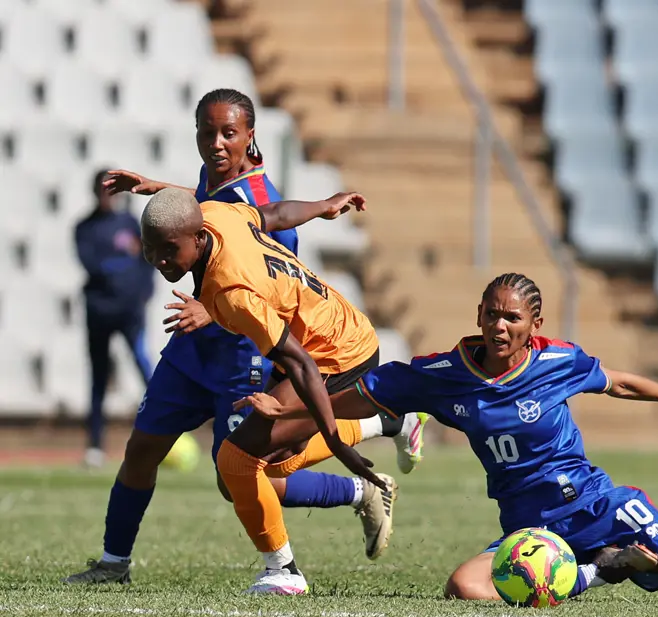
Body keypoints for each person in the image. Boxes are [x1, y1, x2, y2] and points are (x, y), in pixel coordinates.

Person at [237, 272, 658, 608]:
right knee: (465, 588)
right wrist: (285, 417)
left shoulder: (557, 360)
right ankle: (601, 570)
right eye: (491, 313)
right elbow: (349, 401)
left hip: (599, 506)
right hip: (533, 530)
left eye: (512, 318)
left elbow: (617, 381)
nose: (499, 326)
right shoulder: (438, 377)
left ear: (532, 326)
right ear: (478, 314)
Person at [64, 89, 427, 587]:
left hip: (245, 350)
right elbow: (206, 213)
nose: (216, 143)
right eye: (207, 132)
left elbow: (267, 281)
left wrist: (210, 307)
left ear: (249, 137)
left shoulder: (253, 201)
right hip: (194, 350)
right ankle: (113, 563)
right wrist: (155, 188)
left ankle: (358, 471)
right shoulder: (212, 188)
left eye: (228, 134)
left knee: (236, 471)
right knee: (144, 448)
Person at [128, 187, 407, 595]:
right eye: (150, 249)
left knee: (235, 461)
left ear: (199, 238)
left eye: (169, 249)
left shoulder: (233, 292)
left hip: (334, 354)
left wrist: (334, 440)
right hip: (324, 337)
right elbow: (272, 214)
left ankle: (284, 572)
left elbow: (301, 364)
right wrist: (322, 206)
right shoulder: (215, 214)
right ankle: (384, 422)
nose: (159, 260)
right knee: (267, 466)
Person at [74, 169, 156, 469]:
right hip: (98, 312)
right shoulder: (84, 227)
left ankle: (168, 431)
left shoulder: (130, 223)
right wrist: (124, 265)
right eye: (101, 190)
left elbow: (147, 261)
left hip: (130, 311)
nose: (106, 196)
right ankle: (95, 445)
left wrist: (144, 291)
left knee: (145, 367)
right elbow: (93, 265)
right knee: (98, 378)